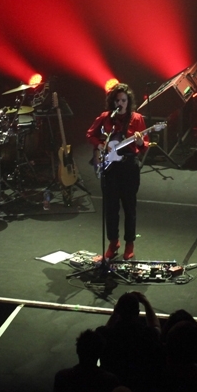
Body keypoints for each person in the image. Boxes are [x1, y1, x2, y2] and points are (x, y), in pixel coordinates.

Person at [86, 82, 149, 260]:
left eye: (123, 100)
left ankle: (129, 244)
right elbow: (90, 134)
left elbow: (144, 144)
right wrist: (99, 145)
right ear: (112, 102)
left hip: (129, 167)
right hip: (110, 168)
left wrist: (138, 142)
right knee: (111, 208)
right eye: (117, 100)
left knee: (130, 207)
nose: (120, 103)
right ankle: (113, 242)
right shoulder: (105, 117)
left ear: (128, 102)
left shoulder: (137, 118)